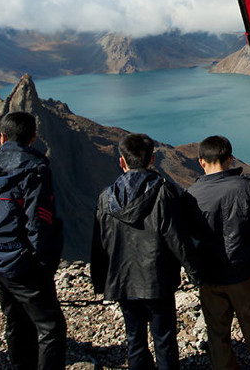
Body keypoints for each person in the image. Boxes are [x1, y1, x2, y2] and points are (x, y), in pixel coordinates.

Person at [0, 111, 67, 370]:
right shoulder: (35, 170)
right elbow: (38, 223)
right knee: (50, 326)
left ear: (2, 137)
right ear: (33, 137)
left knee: (16, 320)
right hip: (23, 263)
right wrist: (41, 263)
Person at [90, 133, 202, 370]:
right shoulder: (163, 192)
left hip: (122, 283)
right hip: (157, 281)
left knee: (134, 340)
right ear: (152, 159)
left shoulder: (106, 197)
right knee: (164, 341)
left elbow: (99, 243)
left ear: (122, 161)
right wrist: (195, 273)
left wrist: (100, 282)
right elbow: (177, 238)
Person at [184, 135, 250, 370]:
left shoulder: (192, 195)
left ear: (201, 161)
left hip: (210, 274)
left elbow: (187, 235)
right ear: (231, 159)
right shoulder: (245, 187)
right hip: (244, 271)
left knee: (217, 331)